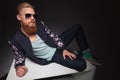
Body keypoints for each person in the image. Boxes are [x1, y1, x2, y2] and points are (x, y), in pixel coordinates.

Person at [8, 2, 101, 77]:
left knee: (77, 27)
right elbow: (19, 57)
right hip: (53, 55)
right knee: (82, 65)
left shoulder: (39, 24)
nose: (32, 18)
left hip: (55, 44)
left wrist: (63, 48)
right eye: (28, 15)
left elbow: (52, 35)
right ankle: (77, 54)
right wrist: (18, 67)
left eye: (34, 16)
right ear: (19, 17)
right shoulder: (16, 40)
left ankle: (87, 54)